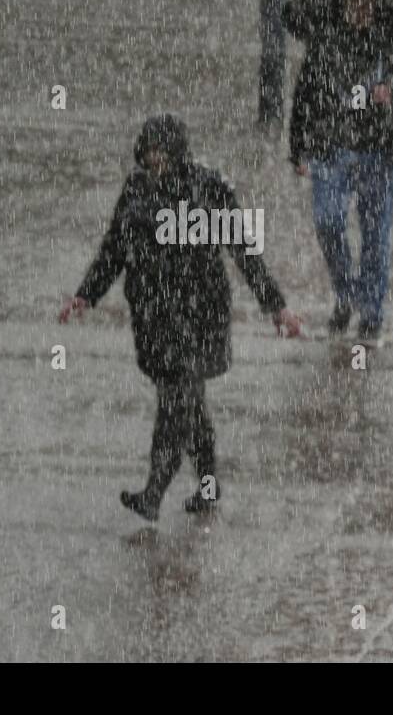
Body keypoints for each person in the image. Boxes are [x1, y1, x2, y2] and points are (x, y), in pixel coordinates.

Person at [59, 114, 302, 522]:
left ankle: (154, 491)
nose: (155, 162)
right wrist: (85, 296)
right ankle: (208, 487)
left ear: (176, 152)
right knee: (191, 405)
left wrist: (276, 306)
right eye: (149, 153)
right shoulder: (136, 189)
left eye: (161, 153)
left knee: (176, 404)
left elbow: (243, 250)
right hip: (154, 316)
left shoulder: (209, 188)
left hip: (199, 316)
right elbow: (113, 249)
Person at [288, 0, 393, 344]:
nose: (360, 9)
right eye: (353, 2)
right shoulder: (324, 43)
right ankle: (346, 293)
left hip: (379, 152)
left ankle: (371, 314)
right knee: (327, 221)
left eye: (367, 3)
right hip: (331, 149)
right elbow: (304, 95)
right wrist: (298, 150)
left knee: (376, 237)